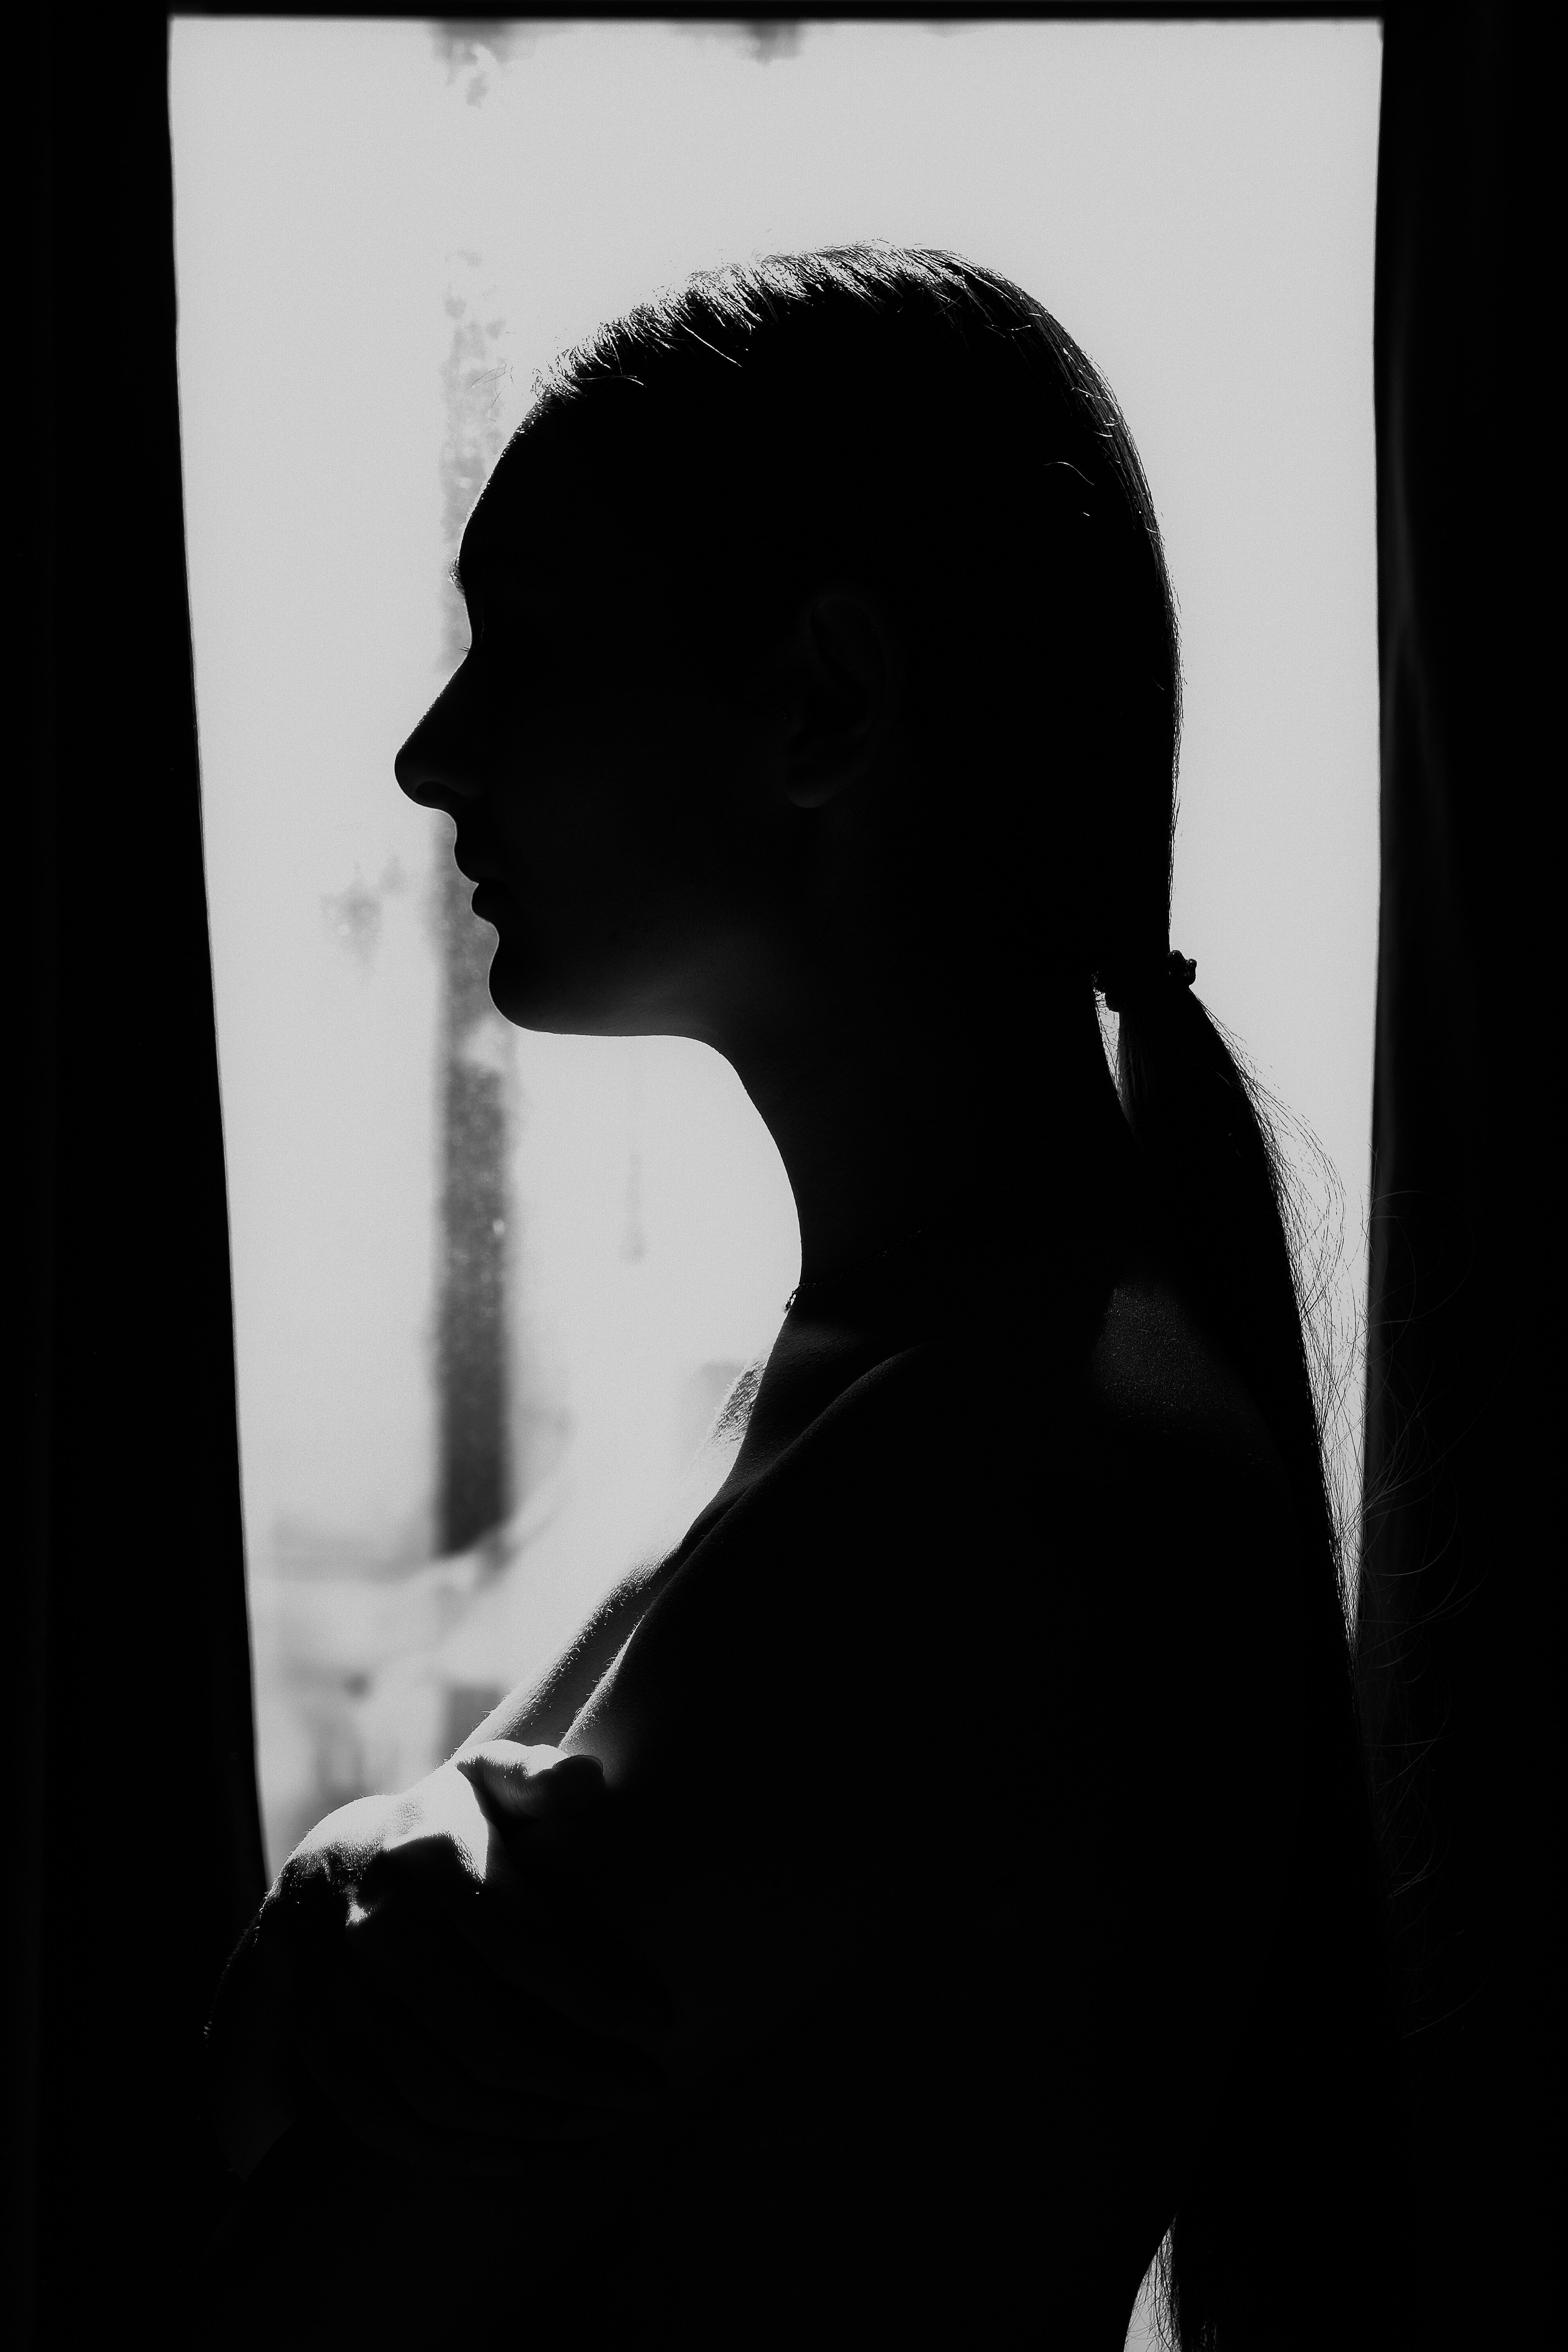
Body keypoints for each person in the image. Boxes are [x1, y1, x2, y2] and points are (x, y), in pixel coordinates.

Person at [201, 245, 1405, 2349]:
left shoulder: (984, 1480)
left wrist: (300, 1967)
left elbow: (258, 2288)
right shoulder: (914, 1385)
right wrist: (358, 1863)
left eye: (527, 648)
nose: (430, 753)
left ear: (824, 704)